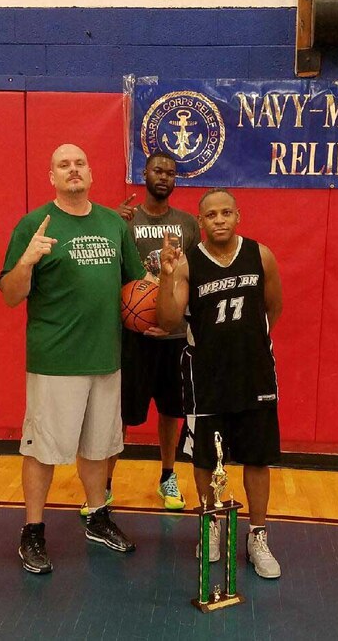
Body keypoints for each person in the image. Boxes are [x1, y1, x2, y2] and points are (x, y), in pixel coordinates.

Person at [0, 143, 146, 575]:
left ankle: (97, 517)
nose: (73, 169)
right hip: (55, 359)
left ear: (91, 172)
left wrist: (162, 292)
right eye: (63, 164)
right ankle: (33, 530)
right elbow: (9, 295)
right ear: (52, 177)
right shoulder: (34, 224)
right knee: (43, 449)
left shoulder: (112, 224)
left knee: (100, 446)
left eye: (80, 162)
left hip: (106, 357)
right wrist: (26, 260)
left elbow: (135, 288)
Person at [155, 188, 284, 579]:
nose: (220, 220)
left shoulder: (261, 255)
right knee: (205, 459)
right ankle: (211, 525)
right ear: (201, 222)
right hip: (205, 376)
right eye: (211, 215)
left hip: (254, 372)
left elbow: (274, 306)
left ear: (238, 215)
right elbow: (167, 319)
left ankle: (257, 534)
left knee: (257, 458)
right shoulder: (188, 264)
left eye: (226, 212)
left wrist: (247, 343)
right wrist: (164, 275)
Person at [103, 151, 199, 513]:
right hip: (133, 334)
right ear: (144, 174)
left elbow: (192, 277)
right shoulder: (123, 220)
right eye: (158, 170)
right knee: (122, 414)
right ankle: (106, 481)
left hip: (173, 335)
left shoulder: (188, 224)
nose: (164, 177)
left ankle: (168, 475)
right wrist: (109, 223)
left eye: (171, 173)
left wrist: (176, 321)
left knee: (171, 411)